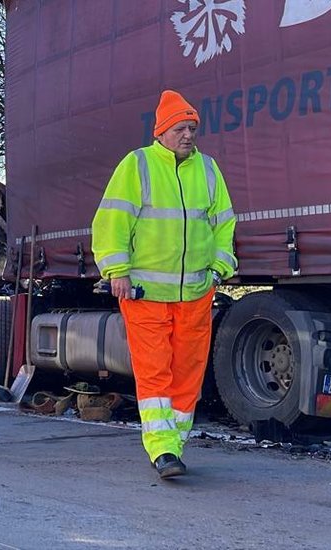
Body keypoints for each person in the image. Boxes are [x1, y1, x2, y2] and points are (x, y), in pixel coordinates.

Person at [91, 89, 237, 479]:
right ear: (162, 131)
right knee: (156, 373)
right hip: (145, 295)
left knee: (189, 373)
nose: (187, 134)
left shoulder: (207, 168)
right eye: (179, 128)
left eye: (192, 127)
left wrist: (220, 268)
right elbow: (112, 221)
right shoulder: (137, 165)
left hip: (195, 293)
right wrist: (116, 271)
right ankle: (161, 448)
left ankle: (176, 443)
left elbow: (224, 223)